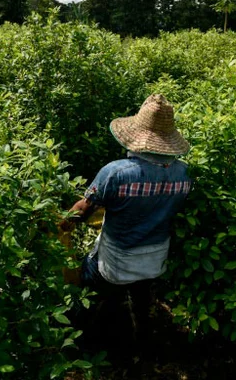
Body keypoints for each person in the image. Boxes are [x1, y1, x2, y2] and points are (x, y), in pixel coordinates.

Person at [60, 94, 191, 339]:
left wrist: (62, 222)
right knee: (142, 294)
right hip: (155, 259)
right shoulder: (184, 173)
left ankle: (82, 336)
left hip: (116, 263)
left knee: (91, 286)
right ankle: (143, 334)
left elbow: (84, 210)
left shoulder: (116, 173)